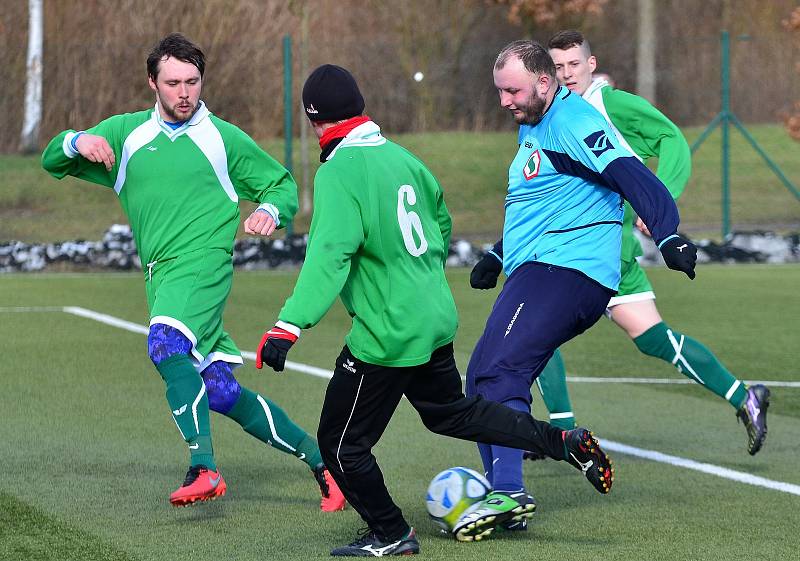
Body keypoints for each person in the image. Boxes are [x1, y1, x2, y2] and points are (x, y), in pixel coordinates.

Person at [256, 64, 615, 555]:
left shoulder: (338, 170)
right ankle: (561, 442)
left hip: (390, 332)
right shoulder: (405, 159)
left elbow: (330, 255)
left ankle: (391, 532)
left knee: (340, 444)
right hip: (433, 318)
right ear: (359, 108)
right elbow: (440, 223)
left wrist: (287, 325)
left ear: (314, 121)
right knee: (451, 412)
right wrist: (417, 276)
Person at [41, 33, 345, 512]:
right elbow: (52, 159)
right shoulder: (126, 135)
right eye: (173, 82)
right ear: (152, 84)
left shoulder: (222, 138)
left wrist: (271, 209)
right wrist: (78, 140)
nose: (184, 92)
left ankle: (203, 467)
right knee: (222, 393)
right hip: (160, 277)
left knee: (163, 344)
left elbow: (281, 185)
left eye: (192, 81)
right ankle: (322, 462)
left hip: (204, 265)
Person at [463, 39, 698, 536]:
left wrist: (668, 231)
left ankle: (510, 494)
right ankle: (508, 485)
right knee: (480, 377)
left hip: (568, 272)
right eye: (500, 91)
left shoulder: (575, 123)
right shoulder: (538, 124)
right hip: (536, 269)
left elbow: (632, 176)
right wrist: (498, 254)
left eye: (512, 91)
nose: (504, 101)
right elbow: (545, 202)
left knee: (501, 371)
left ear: (544, 84)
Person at [509, 30, 769, 459]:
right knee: (650, 339)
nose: (566, 73)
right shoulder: (552, 114)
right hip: (589, 246)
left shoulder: (609, 105)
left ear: (591, 65)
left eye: (574, 64)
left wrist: (660, 202)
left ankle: (560, 433)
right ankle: (745, 397)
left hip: (599, 247)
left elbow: (671, 138)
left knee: (539, 324)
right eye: (557, 66)